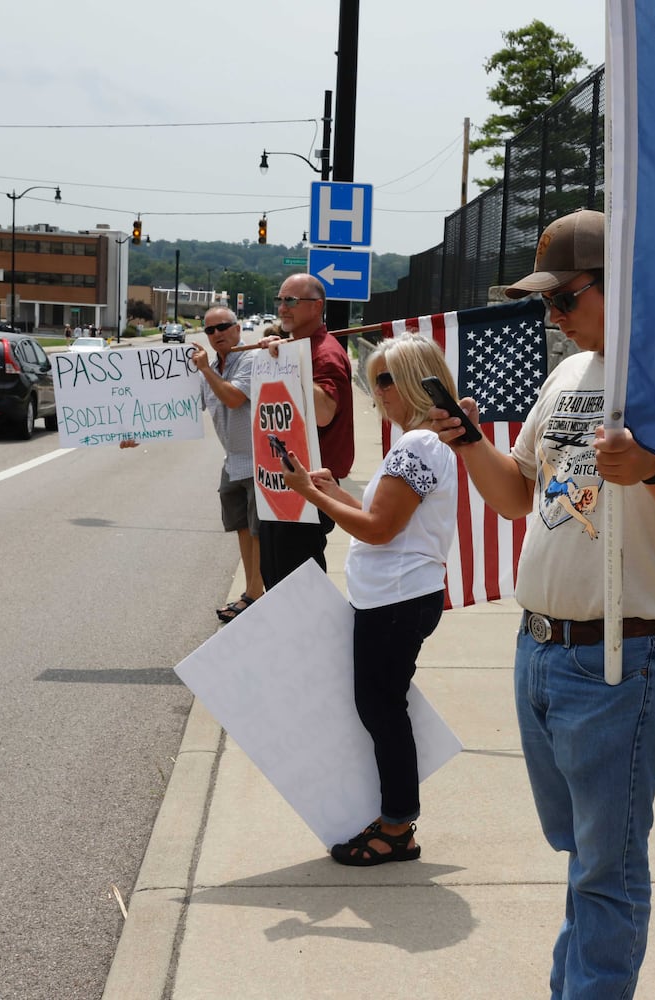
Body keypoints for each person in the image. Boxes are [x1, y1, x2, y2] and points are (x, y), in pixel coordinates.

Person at [431, 209, 655, 998]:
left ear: (621, 284)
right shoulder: (568, 376)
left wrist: (654, 468)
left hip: (624, 659)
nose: (553, 318)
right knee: (585, 856)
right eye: (545, 304)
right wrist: (468, 439)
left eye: (564, 299)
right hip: (544, 651)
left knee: (607, 869)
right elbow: (513, 496)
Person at [280, 334, 458, 866]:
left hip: (397, 599)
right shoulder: (421, 443)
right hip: (398, 595)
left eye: (386, 379)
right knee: (381, 707)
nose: (377, 390)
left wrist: (311, 496)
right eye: (373, 379)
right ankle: (396, 819)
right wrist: (334, 493)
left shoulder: (418, 445)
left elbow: (380, 530)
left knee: (381, 710)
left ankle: (397, 826)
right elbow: (388, 522)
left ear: (414, 381)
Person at [255, 273, 354, 587]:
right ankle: (287, 636)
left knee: (297, 581)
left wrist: (292, 362)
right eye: (280, 300)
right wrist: (285, 354)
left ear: (317, 307)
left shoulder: (325, 354)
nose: (283, 308)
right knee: (275, 576)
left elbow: (324, 414)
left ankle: (307, 637)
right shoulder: (298, 347)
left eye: (292, 301)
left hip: (310, 489)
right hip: (285, 485)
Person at [189, 305, 265, 623]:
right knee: (241, 527)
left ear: (238, 328)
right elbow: (181, 410)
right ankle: (251, 591)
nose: (216, 334)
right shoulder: (210, 365)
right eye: (210, 330)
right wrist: (136, 434)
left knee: (258, 529)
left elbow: (234, 398)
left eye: (223, 327)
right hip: (232, 459)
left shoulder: (250, 359)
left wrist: (207, 371)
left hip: (257, 458)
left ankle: (256, 593)